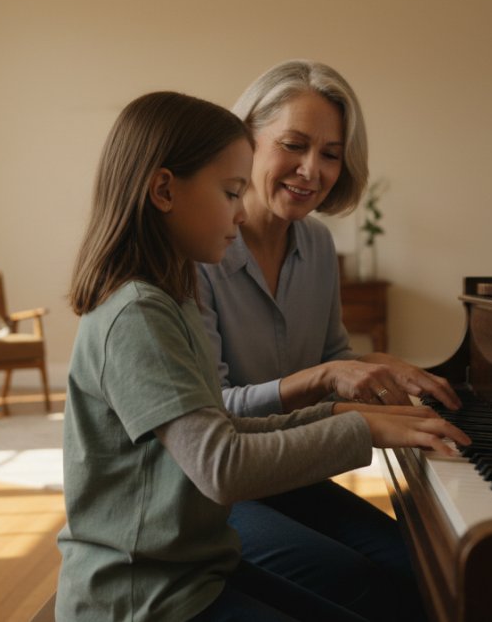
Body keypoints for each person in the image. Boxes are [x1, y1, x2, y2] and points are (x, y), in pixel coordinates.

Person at [56, 90, 469, 621]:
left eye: (330, 153)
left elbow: (220, 427)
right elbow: (221, 465)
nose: (239, 211)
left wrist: (347, 412)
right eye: (231, 192)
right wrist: (362, 429)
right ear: (164, 190)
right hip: (141, 598)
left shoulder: (168, 298)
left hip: (189, 569)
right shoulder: (138, 313)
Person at [196, 59, 463, 621]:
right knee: (363, 584)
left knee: (425, 567)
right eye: (293, 145)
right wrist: (327, 378)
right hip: (217, 488)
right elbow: (210, 414)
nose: (311, 171)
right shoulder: (201, 249)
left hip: (289, 468)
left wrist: (381, 366)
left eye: (331, 154)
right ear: (247, 138)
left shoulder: (316, 245)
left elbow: (330, 357)